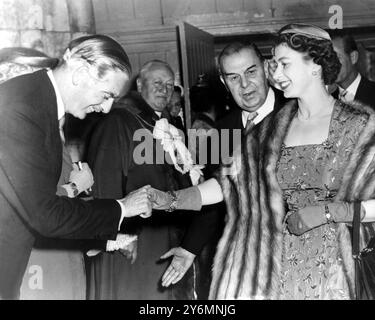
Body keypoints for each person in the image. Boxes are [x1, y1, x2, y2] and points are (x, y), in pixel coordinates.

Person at [149, 23, 375, 300]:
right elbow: (230, 184)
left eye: (284, 64)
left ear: (314, 65)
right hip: (276, 272)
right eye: (274, 64)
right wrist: (171, 199)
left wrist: (328, 213)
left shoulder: (360, 126)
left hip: (338, 271)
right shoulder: (270, 128)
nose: (275, 74)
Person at [0, 35, 154, 299]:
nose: (106, 109)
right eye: (106, 95)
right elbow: (44, 214)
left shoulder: (38, 103)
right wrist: (123, 207)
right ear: (81, 72)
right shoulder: (20, 107)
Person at [157, 42, 286, 293]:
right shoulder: (221, 132)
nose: (245, 85)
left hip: (293, 254)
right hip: (243, 261)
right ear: (225, 83)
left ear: (267, 69)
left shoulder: (297, 114)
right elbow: (216, 200)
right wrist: (189, 248)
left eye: (251, 72)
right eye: (234, 78)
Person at [87, 60, 197, 300]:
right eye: (157, 82)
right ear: (139, 84)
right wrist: (121, 235)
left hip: (161, 232)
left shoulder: (162, 125)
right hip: (134, 235)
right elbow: (105, 178)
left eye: (169, 85)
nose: (164, 90)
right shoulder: (119, 120)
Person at [331, 30, 375, 109]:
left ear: (353, 57)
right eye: (327, 58)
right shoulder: (327, 99)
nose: (330, 64)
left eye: (336, 57)